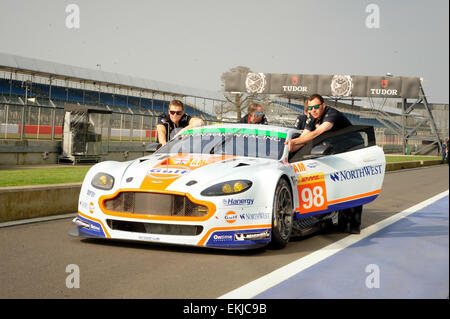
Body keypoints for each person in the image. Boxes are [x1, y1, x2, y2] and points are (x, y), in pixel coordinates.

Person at [284, 93, 352, 152]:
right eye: (310, 108)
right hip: (336, 145)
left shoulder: (332, 113)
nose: (313, 110)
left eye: (316, 107)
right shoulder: (312, 116)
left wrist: (294, 142)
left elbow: (317, 133)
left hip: (352, 145)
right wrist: (291, 148)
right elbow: (304, 136)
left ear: (323, 105)